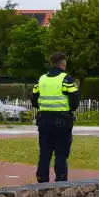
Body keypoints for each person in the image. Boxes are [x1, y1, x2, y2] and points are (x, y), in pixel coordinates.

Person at [32, 51, 79, 183]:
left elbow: (34, 101)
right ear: (63, 64)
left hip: (44, 120)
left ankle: (42, 181)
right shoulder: (66, 79)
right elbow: (75, 100)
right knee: (61, 154)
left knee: (45, 153)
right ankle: (61, 181)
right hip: (62, 121)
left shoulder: (41, 79)